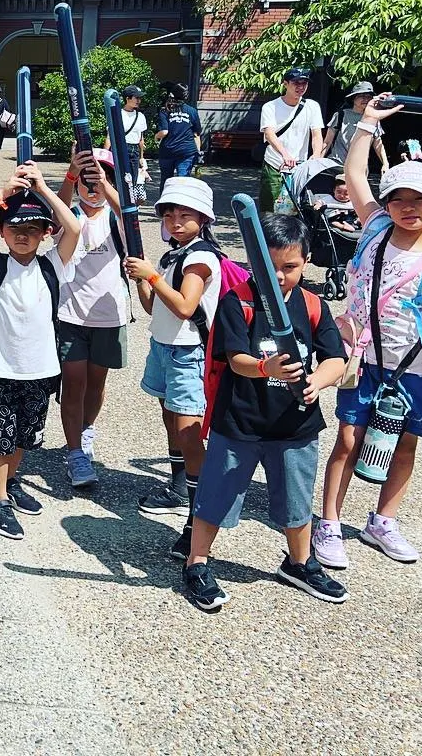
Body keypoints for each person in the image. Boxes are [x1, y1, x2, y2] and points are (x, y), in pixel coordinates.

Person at [313, 96, 422, 568]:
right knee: (348, 440)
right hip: (363, 361)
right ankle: (329, 523)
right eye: (398, 199)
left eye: (419, 200)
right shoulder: (375, 227)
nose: (406, 208)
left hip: (415, 370)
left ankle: (384, 520)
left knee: (404, 444)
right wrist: (365, 125)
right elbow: (356, 176)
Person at [183, 213, 349, 611]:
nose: (277, 275)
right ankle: (196, 562)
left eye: (289, 267)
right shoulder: (236, 299)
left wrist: (317, 381)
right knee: (217, 494)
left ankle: (299, 562)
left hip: (295, 425)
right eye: (267, 266)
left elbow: (336, 359)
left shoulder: (312, 305)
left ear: (306, 260)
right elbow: (235, 357)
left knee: (296, 499)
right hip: (240, 420)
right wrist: (265, 368)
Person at [0, 166, 82, 540]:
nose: (22, 235)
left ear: (46, 233)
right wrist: (2, 193)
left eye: (32, 229)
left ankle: (10, 483)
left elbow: (75, 229)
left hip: (40, 369)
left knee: (23, 436)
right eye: (14, 228)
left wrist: (45, 190)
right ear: (2, 231)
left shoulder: (52, 266)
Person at [123, 176, 222, 561]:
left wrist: (149, 274)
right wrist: (142, 279)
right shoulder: (172, 256)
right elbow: (154, 308)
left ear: (203, 218)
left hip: (189, 352)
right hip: (164, 346)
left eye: (186, 215)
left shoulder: (200, 258)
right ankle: (179, 485)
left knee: (188, 430)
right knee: (171, 420)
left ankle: (197, 517)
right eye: (169, 215)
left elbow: (184, 306)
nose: (176, 221)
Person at [54, 148, 127, 488]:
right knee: (73, 384)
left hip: (109, 315)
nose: (93, 185)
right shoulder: (71, 215)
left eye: (100, 178)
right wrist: (72, 173)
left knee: (96, 385)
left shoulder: (116, 217)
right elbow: (53, 220)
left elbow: (130, 216)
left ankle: (85, 432)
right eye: (88, 180)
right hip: (69, 313)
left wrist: (104, 180)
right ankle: (74, 454)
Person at [258, 67, 324, 213]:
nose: (300, 87)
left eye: (304, 83)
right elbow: (269, 134)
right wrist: (285, 154)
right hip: (275, 164)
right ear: (285, 84)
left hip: (299, 168)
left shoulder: (312, 106)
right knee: (271, 208)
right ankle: (267, 235)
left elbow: (317, 134)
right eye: (296, 83)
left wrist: (317, 154)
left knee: (296, 209)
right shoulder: (270, 107)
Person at [321, 80, 390, 174]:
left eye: (368, 96)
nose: (366, 99)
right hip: (337, 165)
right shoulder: (341, 115)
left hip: (359, 169)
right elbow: (327, 142)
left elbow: (378, 144)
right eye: (361, 96)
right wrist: (318, 161)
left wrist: (385, 164)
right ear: (353, 98)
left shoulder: (373, 118)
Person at [154, 82, 202, 187]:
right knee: (183, 181)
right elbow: (196, 134)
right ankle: (181, 203)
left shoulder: (165, 110)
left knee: (166, 181)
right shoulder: (192, 111)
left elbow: (164, 132)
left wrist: (156, 137)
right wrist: (198, 153)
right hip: (187, 151)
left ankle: (165, 202)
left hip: (168, 151)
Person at [119, 85, 148, 203]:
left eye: (139, 98)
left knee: (133, 179)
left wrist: (142, 158)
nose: (138, 101)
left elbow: (141, 139)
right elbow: (110, 136)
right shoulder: (118, 114)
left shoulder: (140, 116)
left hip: (134, 149)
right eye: (136, 98)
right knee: (120, 178)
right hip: (121, 147)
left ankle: (130, 205)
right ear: (127, 98)